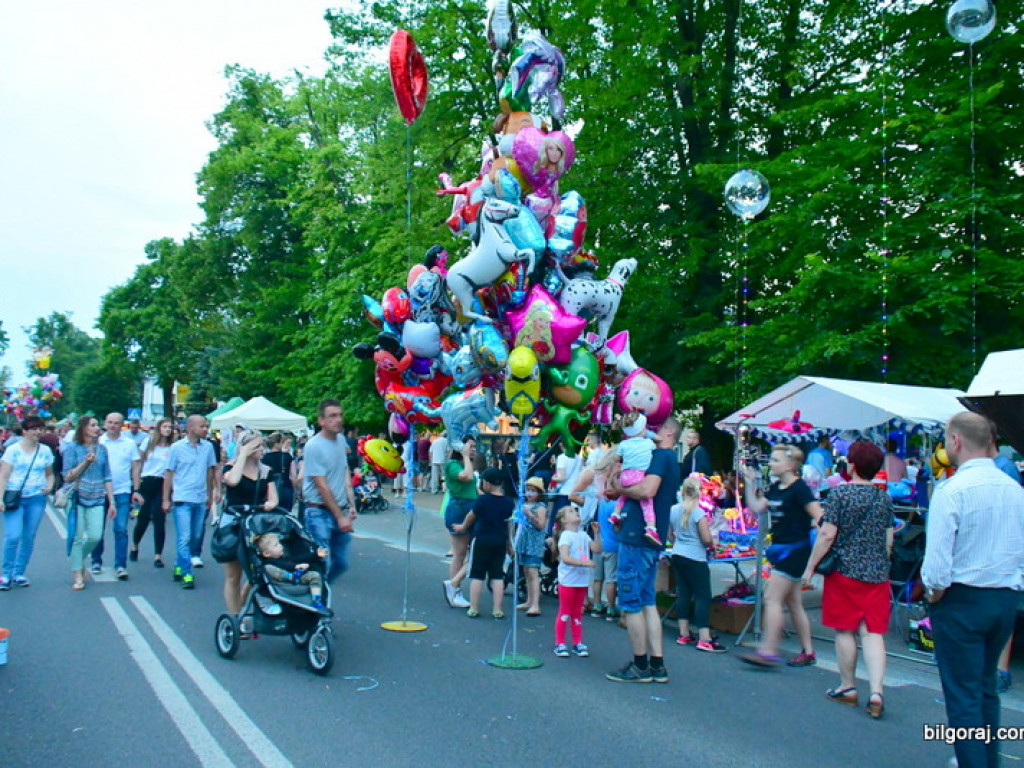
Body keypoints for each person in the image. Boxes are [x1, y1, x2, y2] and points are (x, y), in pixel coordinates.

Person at [922, 412, 1024, 768]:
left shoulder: (952, 490)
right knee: (985, 689)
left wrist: (934, 596)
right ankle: (986, 760)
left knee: (962, 696)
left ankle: (972, 761)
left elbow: (935, 566)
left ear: (956, 441)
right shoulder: (1015, 489)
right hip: (1004, 598)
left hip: (961, 599)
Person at [802, 440, 894, 718]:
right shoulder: (884, 498)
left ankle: (848, 687)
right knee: (873, 632)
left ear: (851, 465)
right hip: (877, 574)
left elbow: (827, 535)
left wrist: (811, 567)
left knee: (846, 630)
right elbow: (888, 541)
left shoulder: (841, 496)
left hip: (845, 573)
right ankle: (877, 691)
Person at [605, 417, 681, 683]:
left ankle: (640, 665)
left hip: (637, 537)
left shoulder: (660, 456)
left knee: (632, 602)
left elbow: (647, 490)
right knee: (647, 601)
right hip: (651, 536)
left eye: (657, 427)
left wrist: (619, 486)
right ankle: (657, 664)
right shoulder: (668, 458)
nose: (649, 430)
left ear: (669, 432)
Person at [738, 444, 823, 668]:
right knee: (793, 602)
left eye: (776, 460)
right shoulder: (777, 487)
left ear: (790, 465)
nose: (771, 464)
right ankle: (808, 651)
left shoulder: (800, 489)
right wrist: (749, 483)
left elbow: (819, 514)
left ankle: (767, 650)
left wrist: (817, 543)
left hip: (794, 551)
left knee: (772, 599)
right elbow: (757, 506)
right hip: (781, 549)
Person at [222, 429, 280, 613]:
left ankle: (242, 604)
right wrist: (243, 455)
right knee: (233, 575)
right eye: (258, 446)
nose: (262, 448)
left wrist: (270, 504)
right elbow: (233, 481)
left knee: (259, 570)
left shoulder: (265, 471)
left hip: (256, 522)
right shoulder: (230, 467)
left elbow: (273, 498)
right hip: (233, 523)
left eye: (263, 444)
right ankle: (236, 616)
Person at [302, 399, 358, 583]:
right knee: (322, 561)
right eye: (332, 416)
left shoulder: (341, 440)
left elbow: (343, 473)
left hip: (339, 509)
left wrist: (351, 504)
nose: (338, 420)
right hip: (318, 511)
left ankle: (317, 593)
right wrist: (340, 517)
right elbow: (321, 485)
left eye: (340, 415)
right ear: (321, 421)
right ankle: (316, 601)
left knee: (341, 563)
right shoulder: (314, 446)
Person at [163, 414, 220, 590]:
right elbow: (169, 473)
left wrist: (210, 495)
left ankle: (179, 565)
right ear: (191, 428)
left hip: (200, 497)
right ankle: (187, 573)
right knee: (184, 537)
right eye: (202, 426)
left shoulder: (208, 447)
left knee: (196, 535)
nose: (206, 429)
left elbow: (210, 471)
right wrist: (166, 498)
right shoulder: (177, 448)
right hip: (182, 497)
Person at [0, 416, 56, 589]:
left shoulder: (45, 450)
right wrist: (0, 498)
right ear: (24, 431)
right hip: (15, 497)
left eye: (40, 428)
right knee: (13, 535)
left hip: (36, 498)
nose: (37, 432)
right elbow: (4, 475)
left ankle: (19, 573)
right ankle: (5, 574)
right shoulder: (13, 450)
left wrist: (49, 486)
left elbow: (49, 473)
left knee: (28, 537)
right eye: (33, 429)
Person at [670, 476, 724, 652]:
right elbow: (706, 539)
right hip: (695, 557)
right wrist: (713, 543)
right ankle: (704, 637)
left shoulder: (673, 510)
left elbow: (670, 535)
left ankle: (684, 633)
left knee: (683, 593)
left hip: (678, 553)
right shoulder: (699, 513)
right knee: (702, 596)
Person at [453, 467, 515, 618]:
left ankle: (474, 607)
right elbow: (509, 525)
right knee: (497, 575)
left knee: (477, 575)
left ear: (487, 483)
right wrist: (509, 543)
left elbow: (471, 516)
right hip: (500, 541)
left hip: (481, 539)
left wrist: (463, 526)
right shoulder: (508, 503)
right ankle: (497, 609)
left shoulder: (482, 500)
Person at [62, 417, 115, 590]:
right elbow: (67, 476)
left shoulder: (103, 449)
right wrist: (85, 462)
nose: (97, 428)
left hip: (98, 497)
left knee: (95, 536)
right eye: (92, 425)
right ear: (83, 428)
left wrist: (112, 501)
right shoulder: (72, 449)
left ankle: (76, 561)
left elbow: (107, 476)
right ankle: (78, 573)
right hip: (77, 496)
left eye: (97, 425)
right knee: (78, 537)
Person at [90, 412, 142, 579]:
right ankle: (96, 560)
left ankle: (120, 565)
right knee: (97, 529)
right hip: (99, 491)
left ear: (122, 425)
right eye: (110, 422)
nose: (113, 425)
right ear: (105, 423)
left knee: (120, 529)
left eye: (116, 423)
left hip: (122, 491)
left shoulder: (129, 443)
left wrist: (136, 489)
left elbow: (135, 467)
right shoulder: (98, 442)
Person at [553, 504, 602, 657]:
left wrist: (597, 533)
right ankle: (560, 643)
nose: (576, 512)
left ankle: (577, 642)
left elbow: (597, 549)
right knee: (565, 612)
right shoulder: (566, 536)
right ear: (564, 521)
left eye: (575, 511)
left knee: (577, 613)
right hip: (568, 581)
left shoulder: (583, 535)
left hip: (581, 581)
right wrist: (584, 563)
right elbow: (565, 558)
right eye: (571, 511)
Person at [608, 412, 660, 545]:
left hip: (626, 476)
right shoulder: (649, 443)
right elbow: (658, 444)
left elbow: (616, 458)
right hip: (640, 476)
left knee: (624, 495)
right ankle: (651, 528)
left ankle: (615, 514)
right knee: (647, 503)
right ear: (642, 429)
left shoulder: (624, 444)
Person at [131, 417, 174, 568]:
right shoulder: (148, 443)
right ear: (159, 428)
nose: (167, 430)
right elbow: (138, 463)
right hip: (147, 481)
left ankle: (158, 555)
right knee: (143, 518)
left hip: (162, 483)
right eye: (165, 427)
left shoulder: (172, 447)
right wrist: (136, 485)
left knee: (159, 519)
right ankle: (135, 544)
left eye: (169, 427)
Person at [441, 438, 478, 609]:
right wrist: (465, 457)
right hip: (459, 508)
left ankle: (454, 586)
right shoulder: (453, 464)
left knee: (471, 552)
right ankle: (454, 590)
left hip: (471, 508)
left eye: (474, 447)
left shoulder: (467, 463)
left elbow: (474, 487)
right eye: (470, 447)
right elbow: (467, 477)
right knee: (460, 553)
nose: (473, 450)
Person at [255, 532, 331, 614]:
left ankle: (317, 601)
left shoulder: (284, 558)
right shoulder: (268, 562)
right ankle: (291, 576)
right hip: (283, 582)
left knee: (314, 575)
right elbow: (283, 565)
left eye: (279, 543)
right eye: (276, 545)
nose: (281, 546)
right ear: (267, 553)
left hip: (296, 579)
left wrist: (315, 555)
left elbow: (298, 559)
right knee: (268, 568)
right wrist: (295, 567)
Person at [515, 476, 549, 616]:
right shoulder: (524, 505)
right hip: (524, 541)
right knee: (526, 571)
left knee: (533, 572)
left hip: (534, 543)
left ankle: (535, 604)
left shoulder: (540, 507)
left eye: (533, 490)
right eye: (528, 490)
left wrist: (529, 515)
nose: (529, 493)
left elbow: (541, 525)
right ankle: (529, 600)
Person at [263, 432, 297, 513]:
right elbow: (293, 476)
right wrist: (295, 490)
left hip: (269, 491)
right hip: (285, 488)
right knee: (285, 516)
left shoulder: (263, 458)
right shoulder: (287, 456)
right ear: (276, 444)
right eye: (281, 442)